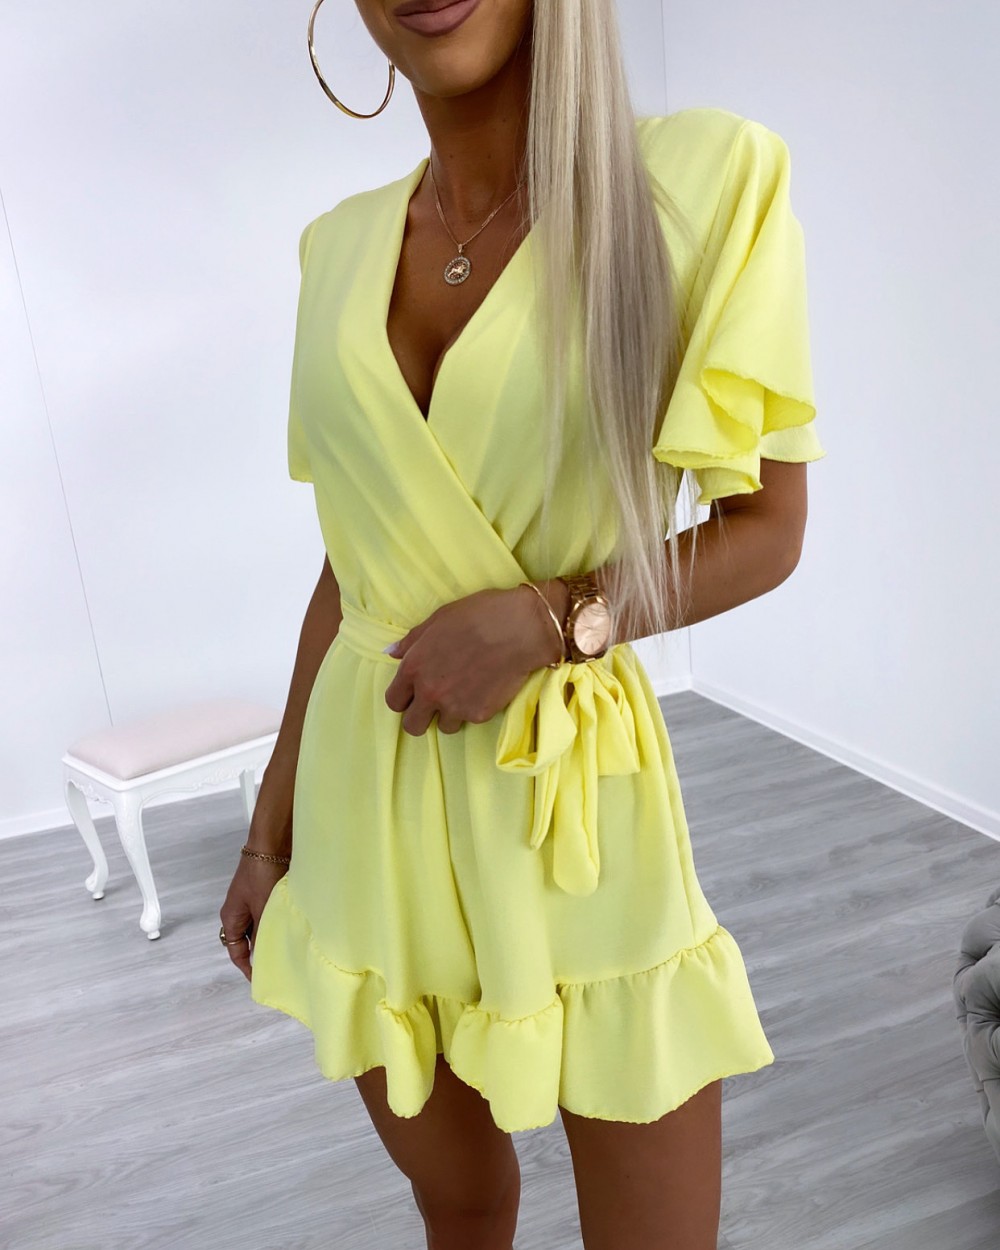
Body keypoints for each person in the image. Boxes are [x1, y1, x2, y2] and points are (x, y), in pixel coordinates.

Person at [220, 1, 826, 1247]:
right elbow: (350, 570)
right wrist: (268, 831)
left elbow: (767, 527)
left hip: (572, 799)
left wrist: (557, 617)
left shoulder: (698, 181)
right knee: (459, 1201)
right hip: (364, 796)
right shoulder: (334, 249)